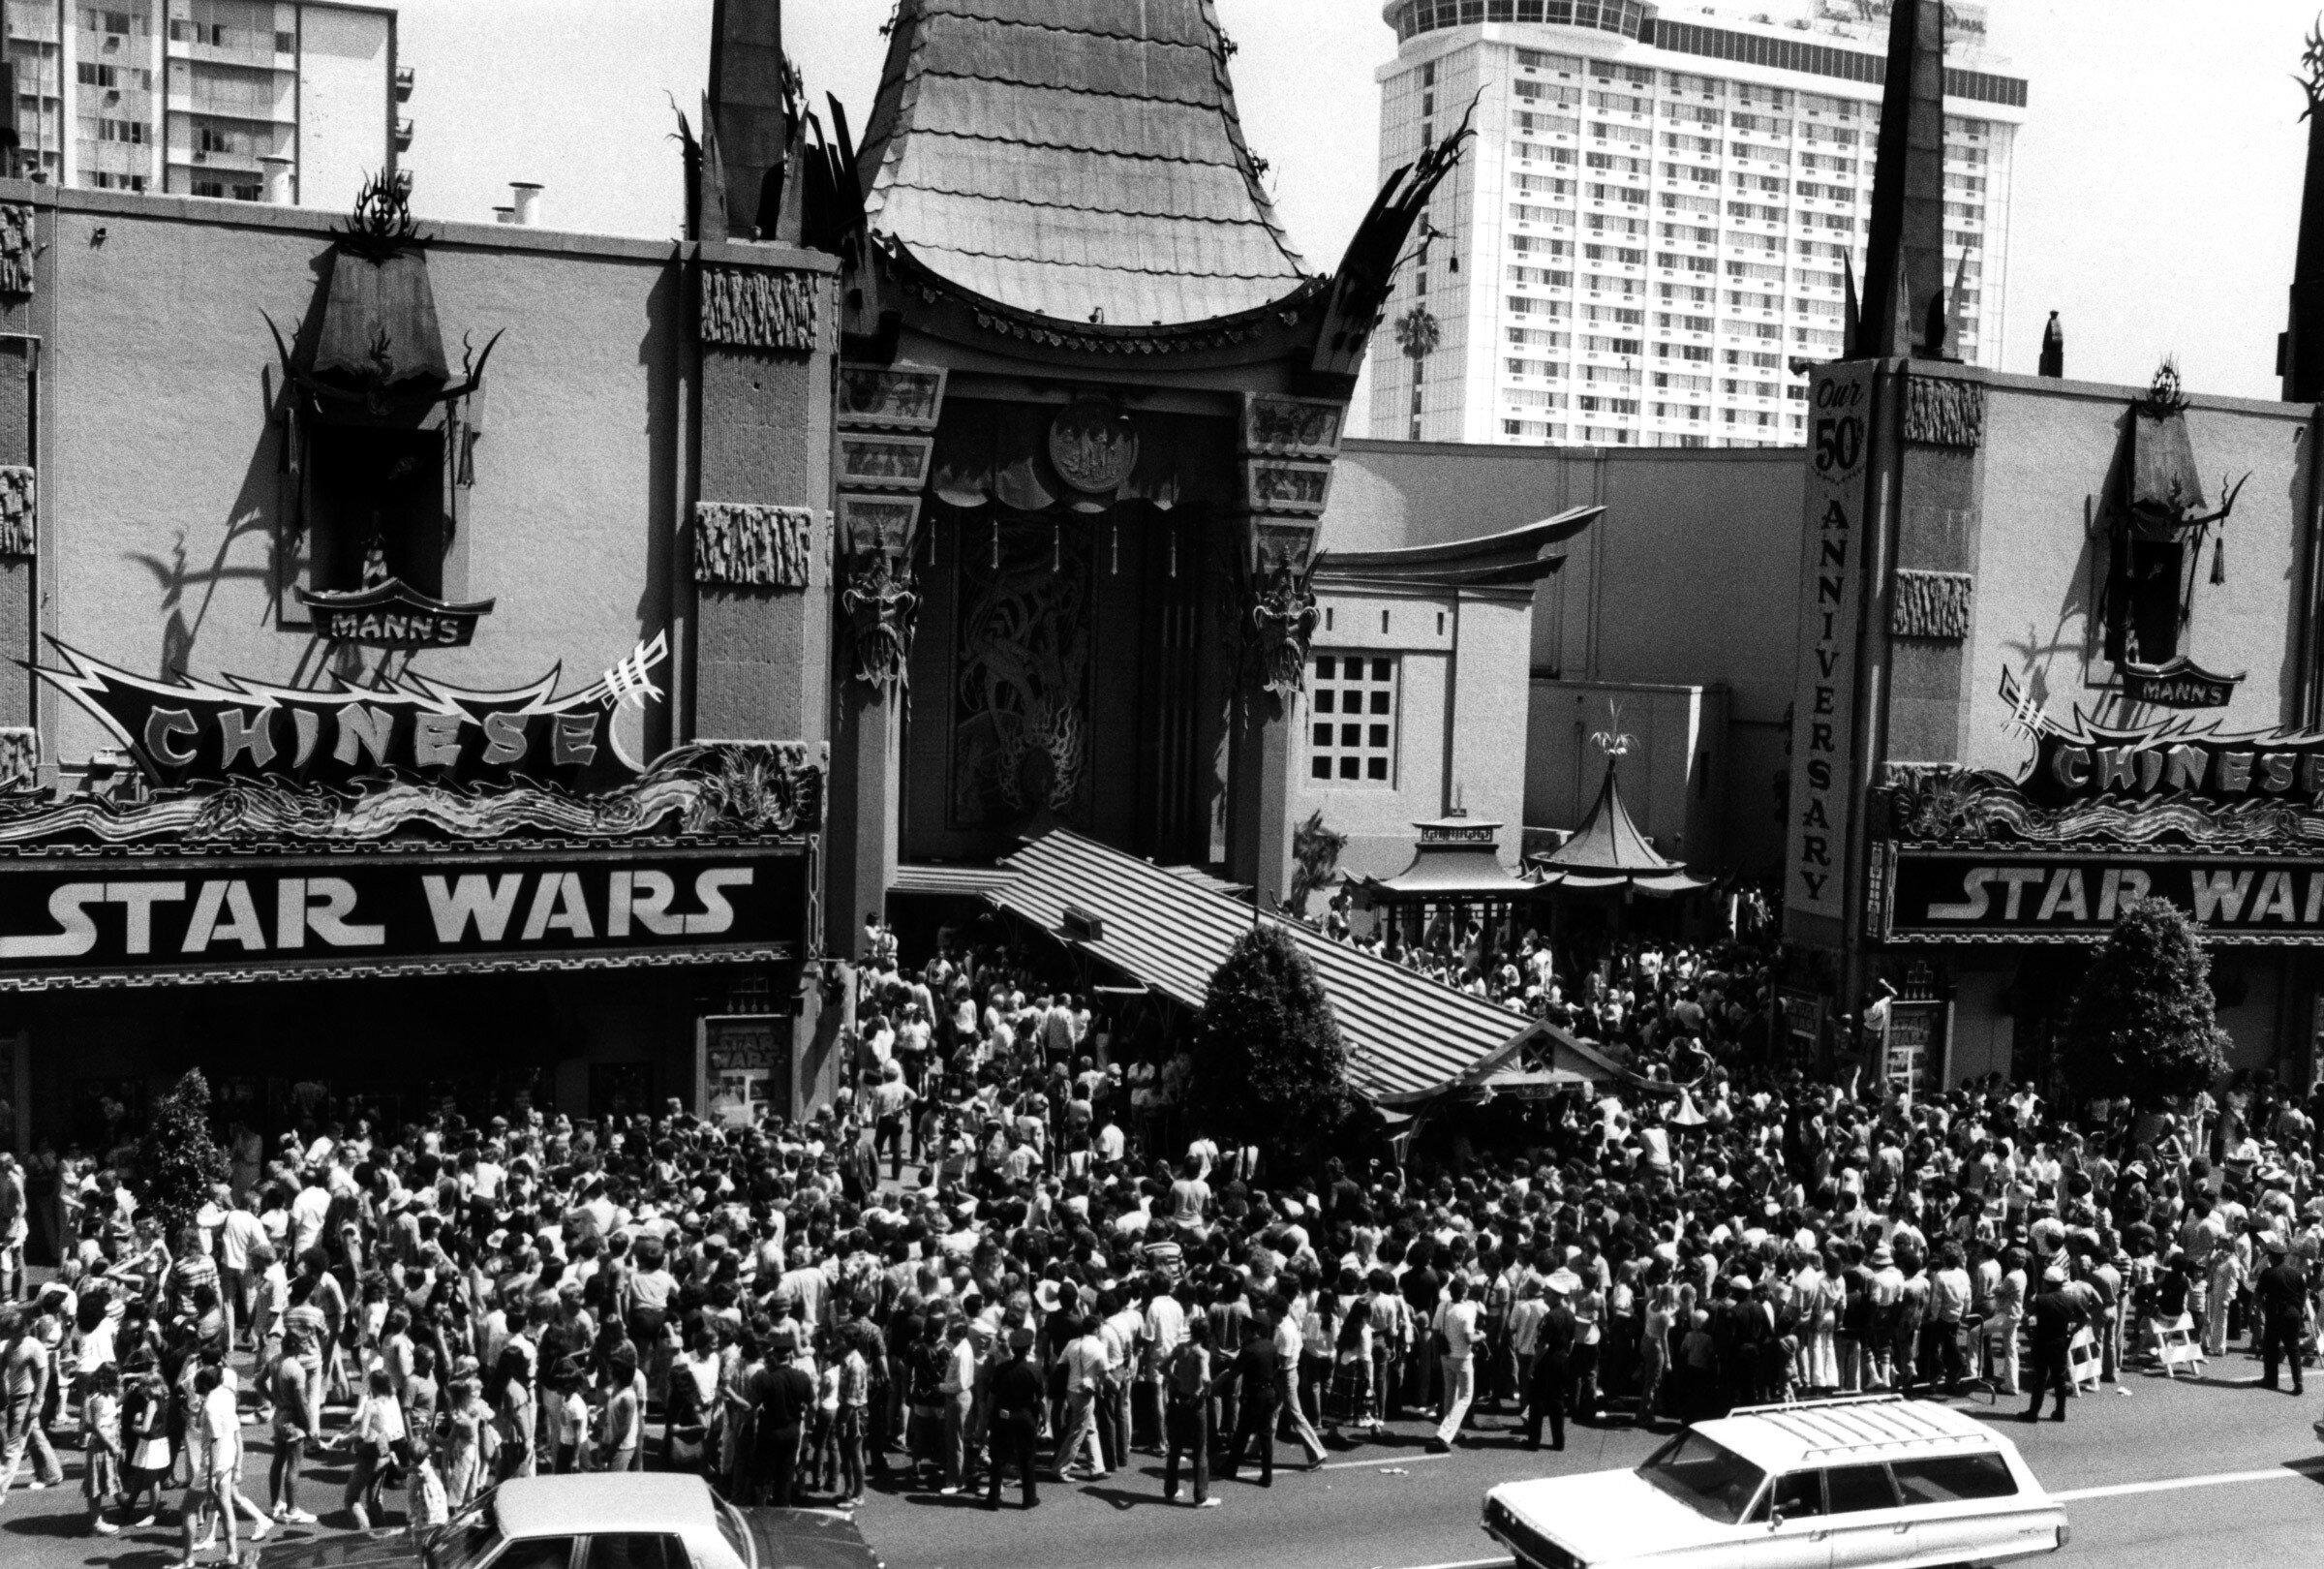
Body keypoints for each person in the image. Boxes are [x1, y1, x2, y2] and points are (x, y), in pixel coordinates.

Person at [1162, 1317, 1218, 1508]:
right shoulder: (1202, 1353)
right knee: (1200, 1448)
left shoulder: (1180, 1348)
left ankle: (1170, 1491)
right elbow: (1206, 1378)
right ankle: (1200, 1495)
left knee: (1175, 1448)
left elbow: (1162, 1367)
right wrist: (1206, 1390)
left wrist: (1175, 1379)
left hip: (1179, 1400)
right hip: (1195, 1403)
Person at [985, 1326, 1042, 1510]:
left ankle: (993, 1499)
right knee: (1027, 1458)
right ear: (1028, 1348)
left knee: (998, 1458)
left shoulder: (1001, 1369)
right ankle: (1029, 1498)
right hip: (1025, 1416)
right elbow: (1041, 1400)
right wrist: (1045, 1420)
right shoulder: (1034, 1370)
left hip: (1003, 1416)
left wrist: (987, 1418)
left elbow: (992, 1397)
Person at [1428, 1274, 1483, 1453]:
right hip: (1462, 1358)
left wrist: (1436, 1356)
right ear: (1465, 1292)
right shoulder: (1468, 1311)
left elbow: (1435, 1331)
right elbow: (1469, 1338)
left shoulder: (1442, 1307)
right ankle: (1444, 1433)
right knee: (1465, 1397)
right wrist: (1481, 1336)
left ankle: (1453, 1430)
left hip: (1445, 1355)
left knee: (1450, 1394)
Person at [2022, 1264, 2083, 1424]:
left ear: (2046, 1283)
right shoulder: (2070, 1299)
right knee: (2059, 1378)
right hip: (2061, 1342)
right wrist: (2073, 1331)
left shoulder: (2040, 1299)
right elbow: (2086, 1317)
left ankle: (2033, 1412)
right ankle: (2060, 1412)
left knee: (2040, 1379)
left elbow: (2026, 1317)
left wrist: (2028, 1331)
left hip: (2042, 1342)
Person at [2253, 1231, 2309, 1396]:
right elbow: (2302, 1295)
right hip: (2293, 1313)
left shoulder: (2268, 1273)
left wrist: (2255, 1308)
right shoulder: (2296, 1274)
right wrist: (2298, 1310)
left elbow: (2257, 1295)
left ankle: (2270, 1379)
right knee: (2293, 1348)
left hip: (2275, 1312)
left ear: (2271, 1257)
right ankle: (2298, 1382)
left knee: (2270, 1346)